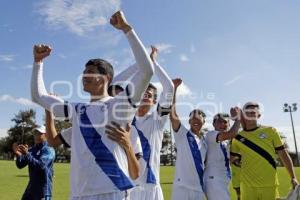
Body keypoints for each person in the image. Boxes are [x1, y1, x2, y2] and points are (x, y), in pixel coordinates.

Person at [31, 10, 154, 200]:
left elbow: (146, 71)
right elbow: (38, 96)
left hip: (113, 192)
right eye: (84, 71)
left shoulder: (119, 106)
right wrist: (38, 63)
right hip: (79, 194)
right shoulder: (78, 110)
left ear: (106, 78)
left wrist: (127, 30)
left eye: (90, 71)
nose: (84, 75)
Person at [111, 46, 174, 200]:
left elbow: (169, 87)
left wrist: (153, 63)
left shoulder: (157, 119)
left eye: (150, 94)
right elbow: (112, 86)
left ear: (154, 101)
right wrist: (141, 64)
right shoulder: (123, 117)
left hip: (151, 187)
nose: (145, 94)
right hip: (128, 186)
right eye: (143, 91)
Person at [230, 102, 299, 200]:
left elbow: (283, 155)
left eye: (253, 112)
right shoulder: (237, 138)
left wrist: (293, 177)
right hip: (247, 187)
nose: (250, 115)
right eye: (247, 113)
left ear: (259, 115)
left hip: (269, 185)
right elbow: (232, 160)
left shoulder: (271, 131)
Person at [169, 78, 207, 200]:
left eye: (198, 119)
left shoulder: (206, 141)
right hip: (181, 188)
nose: (195, 121)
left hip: (199, 188)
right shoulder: (182, 134)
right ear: (189, 121)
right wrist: (174, 89)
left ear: (204, 122)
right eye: (192, 119)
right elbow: (173, 115)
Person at [204, 111, 241, 200]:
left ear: (228, 125)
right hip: (214, 179)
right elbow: (232, 133)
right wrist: (238, 118)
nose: (222, 124)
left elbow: (226, 159)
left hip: (221, 179)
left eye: (225, 122)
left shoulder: (226, 141)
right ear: (213, 124)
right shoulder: (211, 135)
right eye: (219, 121)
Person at [12, 125, 55, 200]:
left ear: (46, 135)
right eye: (35, 133)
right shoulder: (32, 149)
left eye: (39, 133)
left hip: (43, 190)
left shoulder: (49, 149)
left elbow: (41, 166)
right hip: (31, 189)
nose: (36, 135)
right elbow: (20, 165)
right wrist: (18, 154)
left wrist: (27, 154)